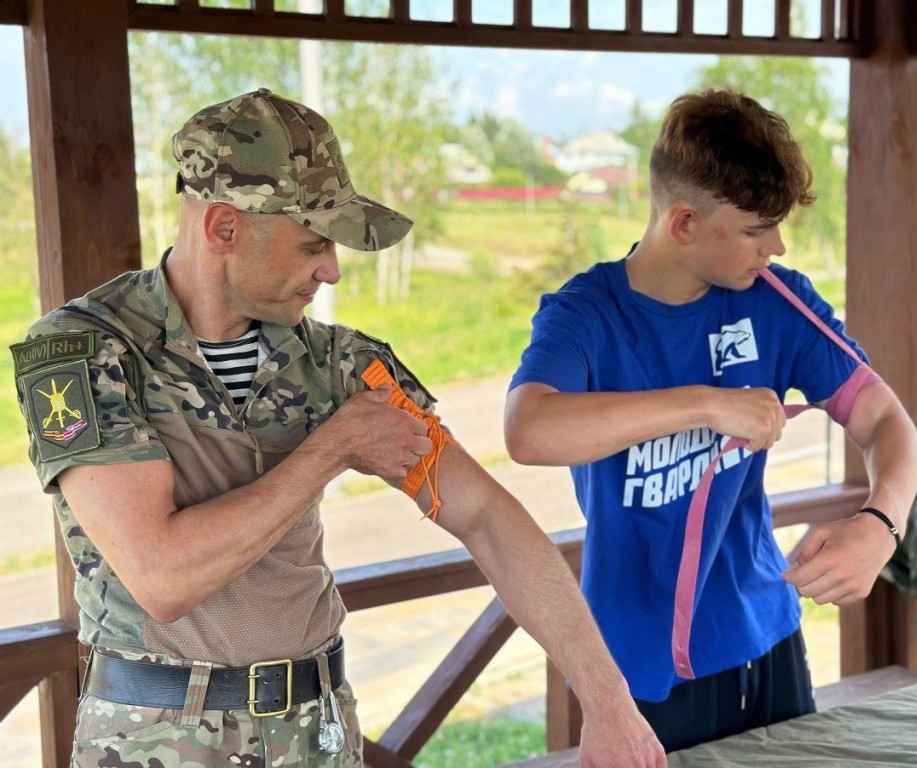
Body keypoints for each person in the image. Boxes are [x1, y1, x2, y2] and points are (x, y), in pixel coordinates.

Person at [11, 88, 665, 768]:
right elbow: (163, 577)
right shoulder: (85, 353)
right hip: (157, 742)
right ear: (224, 230)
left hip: (315, 735)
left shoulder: (338, 363)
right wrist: (332, 448)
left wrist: (609, 702)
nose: (332, 269)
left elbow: (487, 518)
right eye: (313, 243)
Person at [503, 89, 917, 752]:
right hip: (631, 665)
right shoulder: (585, 313)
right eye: (757, 230)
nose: (776, 246)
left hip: (766, 639)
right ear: (683, 224)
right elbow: (529, 431)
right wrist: (708, 402)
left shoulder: (778, 301)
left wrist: (882, 523)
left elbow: (884, 419)